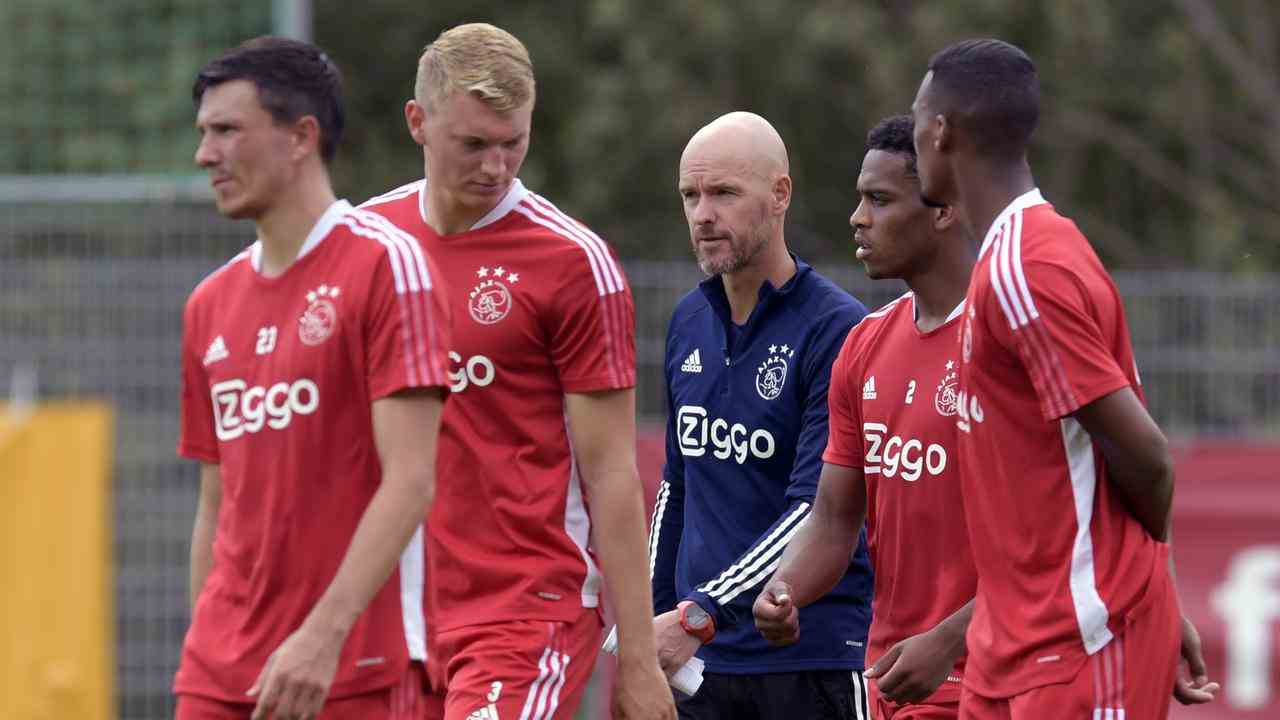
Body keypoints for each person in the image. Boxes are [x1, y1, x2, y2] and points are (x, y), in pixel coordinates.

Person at [358, 23, 674, 720]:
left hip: (527, 611)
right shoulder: (366, 246)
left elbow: (613, 474)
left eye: (514, 144)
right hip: (395, 615)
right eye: (474, 144)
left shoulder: (571, 263)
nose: (497, 167)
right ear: (418, 122)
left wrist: (640, 656)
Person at [908, 38, 1220, 718]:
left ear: (940, 130)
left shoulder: (1028, 269)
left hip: (1076, 647)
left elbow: (1147, 458)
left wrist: (1140, 597)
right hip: (1008, 649)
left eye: (915, 119)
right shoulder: (1018, 258)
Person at [177, 37, 451, 720]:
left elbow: (412, 479)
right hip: (219, 677)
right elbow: (216, 502)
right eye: (203, 134)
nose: (204, 154)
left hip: (350, 668)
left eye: (227, 131)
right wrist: (204, 646)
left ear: (301, 137)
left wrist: (322, 637)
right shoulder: (208, 304)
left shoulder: (389, 266)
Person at [646, 111, 873, 720]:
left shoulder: (838, 329)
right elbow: (678, 482)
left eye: (723, 193)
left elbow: (812, 509)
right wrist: (655, 617)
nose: (702, 214)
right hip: (703, 667)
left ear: (780, 195)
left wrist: (701, 613)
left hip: (808, 661)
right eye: (690, 195)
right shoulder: (688, 320)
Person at [754, 114, 978, 720]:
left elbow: (1062, 537)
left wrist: (952, 639)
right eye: (860, 199)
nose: (858, 218)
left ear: (943, 210)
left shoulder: (1006, 343)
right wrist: (786, 589)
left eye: (879, 200)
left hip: (995, 682)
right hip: (891, 681)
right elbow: (833, 517)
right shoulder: (865, 346)